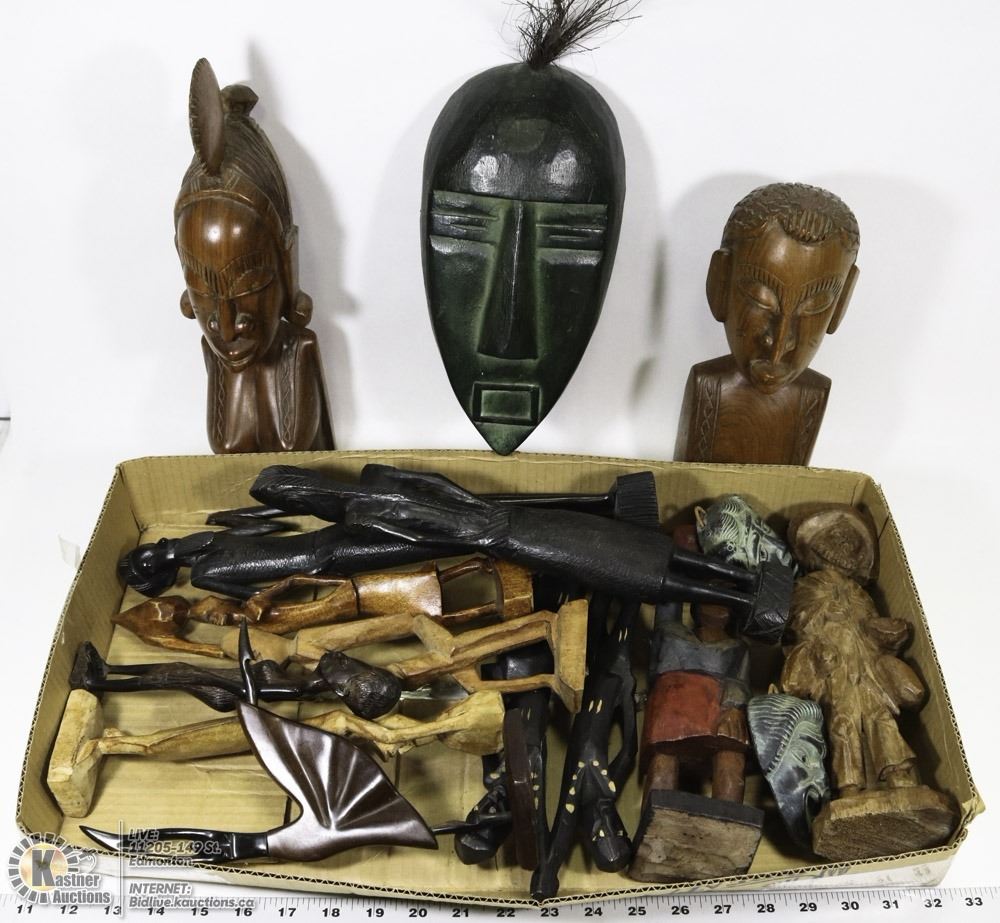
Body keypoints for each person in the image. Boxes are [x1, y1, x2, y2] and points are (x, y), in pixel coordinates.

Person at [175, 59, 333, 453]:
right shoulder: (216, 355)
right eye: (202, 290)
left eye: (249, 286)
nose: (227, 328)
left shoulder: (298, 350)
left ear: (286, 263)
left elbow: (297, 447)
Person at [676, 183, 860, 465]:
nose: (779, 343)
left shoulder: (812, 395)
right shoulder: (708, 386)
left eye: (814, 306)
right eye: (760, 299)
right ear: (720, 284)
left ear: (842, 302)